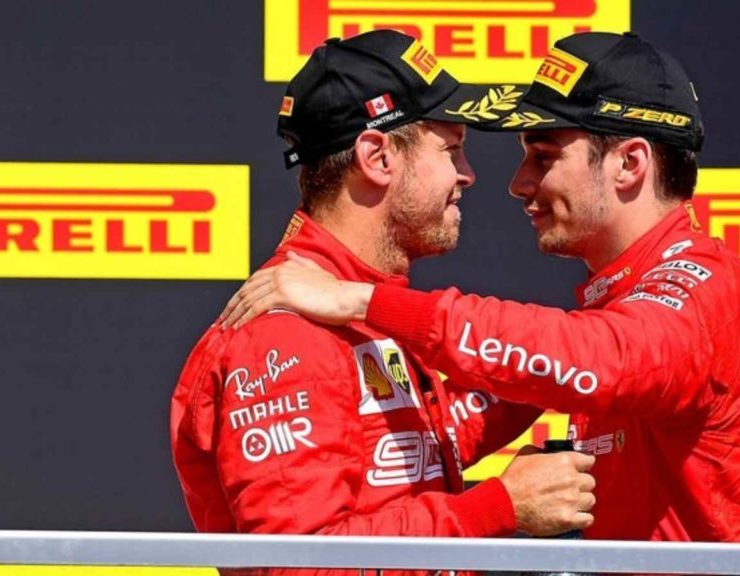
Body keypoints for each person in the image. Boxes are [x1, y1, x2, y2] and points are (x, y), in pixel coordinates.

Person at [221, 31, 740, 544]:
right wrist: (501, 500)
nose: (516, 185)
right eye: (454, 150)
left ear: (630, 164)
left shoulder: (705, 283)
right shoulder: (629, 299)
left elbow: (604, 362)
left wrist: (367, 300)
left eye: (543, 157)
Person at [169, 30, 597, 573]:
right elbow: (300, 565)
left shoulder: (352, 306)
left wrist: (563, 367)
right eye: (451, 149)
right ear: (377, 156)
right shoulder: (287, 333)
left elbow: (407, 452)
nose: (469, 174)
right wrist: (501, 505)